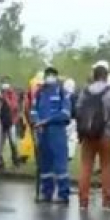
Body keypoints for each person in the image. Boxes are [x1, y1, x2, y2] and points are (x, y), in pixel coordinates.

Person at [76, 64, 110, 211]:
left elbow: (78, 110)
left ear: (94, 76)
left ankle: (83, 201)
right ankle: (107, 201)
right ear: (106, 76)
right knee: (107, 166)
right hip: (106, 133)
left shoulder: (85, 91)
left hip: (88, 133)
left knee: (85, 166)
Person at [31, 67, 71, 204]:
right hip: (42, 133)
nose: (49, 77)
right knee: (44, 164)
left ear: (56, 76)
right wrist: (37, 122)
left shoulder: (62, 92)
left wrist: (47, 121)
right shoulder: (40, 92)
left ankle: (63, 193)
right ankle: (46, 192)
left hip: (57, 131)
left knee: (60, 164)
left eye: (52, 75)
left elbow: (65, 114)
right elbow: (33, 110)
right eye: (47, 75)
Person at [0, 77, 20, 168]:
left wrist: (6, 98)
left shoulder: (12, 94)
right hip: (2, 122)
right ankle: (0, 161)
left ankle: (15, 160)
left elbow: (14, 106)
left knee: (13, 141)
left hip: (11, 121)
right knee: (1, 142)